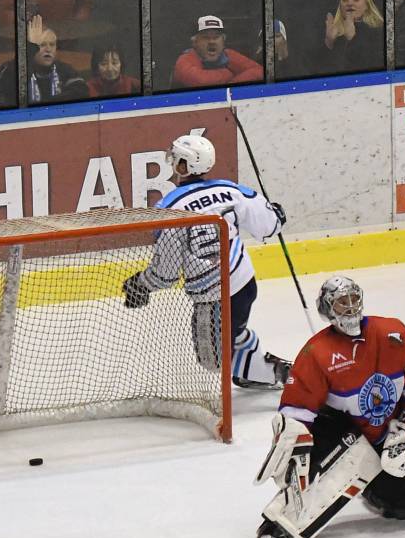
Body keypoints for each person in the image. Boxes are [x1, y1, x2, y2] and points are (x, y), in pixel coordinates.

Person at [251, 275, 405, 538]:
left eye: (353, 299)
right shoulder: (317, 352)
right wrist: (295, 442)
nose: (350, 308)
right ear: (328, 309)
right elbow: (296, 409)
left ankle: (375, 486)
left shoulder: (394, 334)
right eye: (341, 302)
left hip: (388, 437)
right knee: (329, 457)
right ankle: (282, 522)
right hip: (339, 431)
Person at [121, 134, 291, 390]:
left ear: (183, 165)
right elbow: (269, 226)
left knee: (211, 360)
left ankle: (279, 373)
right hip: (244, 285)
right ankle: (246, 357)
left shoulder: (169, 208)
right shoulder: (230, 189)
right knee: (225, 340)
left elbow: (166, 274)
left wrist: (142, 284)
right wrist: (276, 215)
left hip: (212, 298)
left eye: (176, 158)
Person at [0, 15, 88, 105]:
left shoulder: (65, 70)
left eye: (52, 44)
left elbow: (81, 92)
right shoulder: (9, 69)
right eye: (42, 45)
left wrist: (45, 103)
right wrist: (31, 47)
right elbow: (10, 88)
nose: (48, 49)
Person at [172, 15, 263, 89]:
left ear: (223, 41)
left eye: (216, 37)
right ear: (195, 42)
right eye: (205, 37)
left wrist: (233, 83)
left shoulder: (228, 55)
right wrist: (227, 74)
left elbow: (259, 71)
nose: (212, 41)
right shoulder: (186, 58)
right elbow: (200, 81)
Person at [320, 0, 385, 74]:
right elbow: (322, 70)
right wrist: (329, 42)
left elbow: (370, 68)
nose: (350, 3)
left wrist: (352, 39)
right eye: (345, 0)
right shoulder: (332, 30)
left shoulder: (379, 32)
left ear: (367, 5)